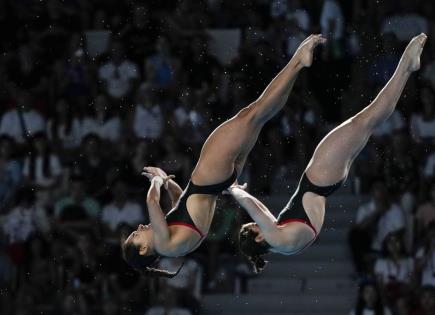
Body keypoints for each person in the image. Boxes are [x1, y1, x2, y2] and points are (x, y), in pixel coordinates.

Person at [122, 34, 327, 277]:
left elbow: (183, 204)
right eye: (137, 235)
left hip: (218, 182)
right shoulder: (165, 245)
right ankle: (297, 62)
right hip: (208, 177)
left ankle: (298, 65)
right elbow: (151, 202)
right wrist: (156, 180)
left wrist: (168, 184)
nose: (139, 227)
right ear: (144, 249)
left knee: (259, 117)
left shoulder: (175, 245)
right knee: (253, 114)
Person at [225, 34, 427, 273]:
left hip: (326, 183)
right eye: (255, 226)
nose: (260, 223)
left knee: (368, 122)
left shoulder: (282, 242)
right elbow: (255, 209)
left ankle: (406, 67)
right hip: (320, 177)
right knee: (368, 118)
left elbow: (264, 214)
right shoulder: (275, 237)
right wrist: (234, 189)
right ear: (259, 238)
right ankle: (406, 65)